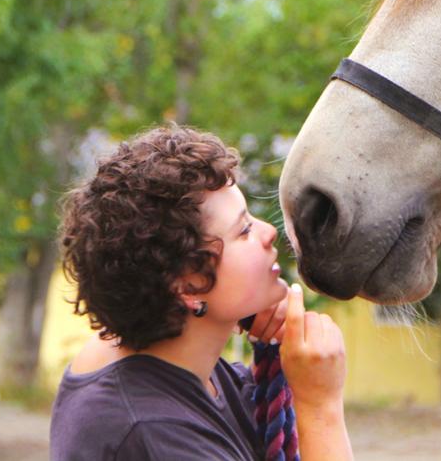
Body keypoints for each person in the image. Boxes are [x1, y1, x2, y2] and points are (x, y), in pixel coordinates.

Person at [51, 125, 353, 460]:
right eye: (244, 230)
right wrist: (320, 406)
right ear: (187, 285)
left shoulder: (151, 355)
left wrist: (245, 325)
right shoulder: (153, 432)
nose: (269, 232)